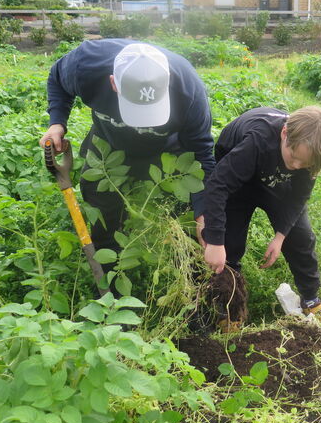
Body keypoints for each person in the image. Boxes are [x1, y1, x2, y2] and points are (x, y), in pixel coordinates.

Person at [39, 39, 216, 293]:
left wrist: (204, 214)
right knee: (104, 217)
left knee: (185, 220)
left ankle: (194, 290)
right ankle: (111, 290)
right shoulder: (86, 65)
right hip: (107, 152)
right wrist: (57, 122)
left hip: (167, 153)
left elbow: (202, 154)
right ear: (114, 83)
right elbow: (57, 77)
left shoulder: (188, 88)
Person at [202, 106, 321, 326]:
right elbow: (217, 186)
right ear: (284, 134)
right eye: (293, 157)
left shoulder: (310, 154)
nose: (296, 166)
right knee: (230, 246)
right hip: (237, 181)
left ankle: (310, 297)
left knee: (301, 237)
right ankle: (227, 308)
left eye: (304, 164)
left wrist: (281, 235)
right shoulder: (257, 141)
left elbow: (298, 197)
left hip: (273, 182)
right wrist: (215, 242)